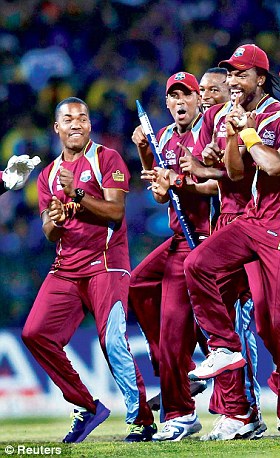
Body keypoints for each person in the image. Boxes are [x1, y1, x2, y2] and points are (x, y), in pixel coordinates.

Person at [185, 63, 280, 442]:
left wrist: (245, 132)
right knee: (197, 264)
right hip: (251, 221)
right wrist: (233, 137)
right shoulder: (271, 124)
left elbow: (275, 164)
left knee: (273, 325)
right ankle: (225, 347)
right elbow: (237, 173)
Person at [22, 97, 156, 443]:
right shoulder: (47, 175)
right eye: (68, 119)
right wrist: (55, 218)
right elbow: (50, 232)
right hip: (67, 266)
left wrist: (76, 195)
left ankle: (141, 419)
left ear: (90, 125)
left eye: (82, 117)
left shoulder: (106, 158)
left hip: (107, 262)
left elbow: (115, 213)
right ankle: (86, 404)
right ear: (57, 128)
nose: (76, 123)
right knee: (35, 334)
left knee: (112, 339)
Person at [183, 44, 280, 440]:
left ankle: (256, 409)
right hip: (226, 220)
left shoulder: (268, 115)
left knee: (260, 320)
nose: (228, 84)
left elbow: (241, 175)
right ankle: (239, 411)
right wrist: (207, 161)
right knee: (225, 318)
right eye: (229, 76)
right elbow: (216, 171)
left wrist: (208, 166)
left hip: (255, 220)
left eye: (237, 75)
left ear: (258, 78)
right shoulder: (216, 117)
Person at [128, 72, 218, 441]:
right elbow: (161, 197)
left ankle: (180, 414)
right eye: (173, 97)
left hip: (207, 238)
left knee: (171, 329)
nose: (180, 102)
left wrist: (180, 181)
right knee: (137, 283)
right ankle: (172, 365)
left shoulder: (210, 132)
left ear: (199, 100)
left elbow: (220, 182)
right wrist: (144, 153)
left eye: (187, 95)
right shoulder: (163, 137)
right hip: (179, 237)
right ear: (167, 104)